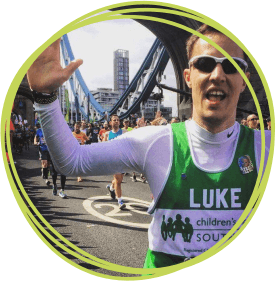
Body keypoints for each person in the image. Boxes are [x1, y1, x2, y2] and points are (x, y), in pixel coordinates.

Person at [27, 24, 271, 268]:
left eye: (231, 66)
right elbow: (72, 161)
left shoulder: (267, 148)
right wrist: (45, 96)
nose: (218, 74)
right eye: (205, 64)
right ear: (188, 77)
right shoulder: (154, 141)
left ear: (243, 81)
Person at [104, 114, 127, 209]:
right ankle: (120, 201)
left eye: (118, 120)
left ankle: (111, 188)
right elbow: (103, 148)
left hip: (123, 159)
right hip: (113, 160)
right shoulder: (107, 134)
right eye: (114, 120)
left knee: (119, 179)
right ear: (110, 122)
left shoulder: (124, 132)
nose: (116, 121)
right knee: (118, 181)